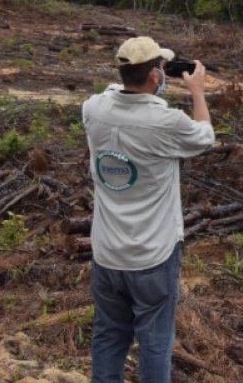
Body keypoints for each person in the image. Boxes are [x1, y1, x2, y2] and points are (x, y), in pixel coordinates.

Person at [83, 36, 215, 383]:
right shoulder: (166, 121)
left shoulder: (94, 109)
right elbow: (204, 136)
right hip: (152, 255)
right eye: (161, 68)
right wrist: (197, 91)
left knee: (109, 335)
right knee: (155, 340)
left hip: (107, 253)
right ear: (157, 76)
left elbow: (115, 91)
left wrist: (140, 77)